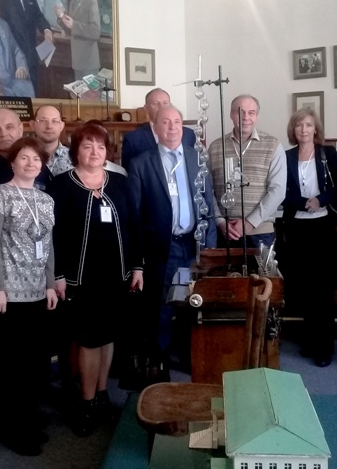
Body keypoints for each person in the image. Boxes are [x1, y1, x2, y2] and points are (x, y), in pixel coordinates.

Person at [48, 122, 143, 437]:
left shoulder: (119, 182)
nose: (94, 152)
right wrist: (58, 275)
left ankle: (102, 395)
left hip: (117, 276)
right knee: (89, 339)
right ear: (76, 150)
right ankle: (86, 402)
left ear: (107, 151)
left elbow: (134, 225)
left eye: (100, 147)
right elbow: (53, 235)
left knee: (108, 337)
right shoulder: (62, 184)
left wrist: (138, 267)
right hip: (80, 279)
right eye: (87, 146)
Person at [0, 137, 57, 455]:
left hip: (38, 291)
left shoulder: (46, 199)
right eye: (24, 158)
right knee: (12, 365)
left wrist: (50, 284)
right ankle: (13, 429)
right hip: (9, 294)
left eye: (36, 159)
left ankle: (28, 418)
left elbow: (49, 244)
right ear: (12, 162)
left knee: (35, 362)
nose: (30, 163)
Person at [128, 105, 216, 371]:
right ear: (155, 128)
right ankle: (160, 360)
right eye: (165, 122)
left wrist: (210, 249)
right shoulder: (141, 164)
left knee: (194, 302)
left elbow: (208, 207)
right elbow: (135, 217)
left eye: (177, 121)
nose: (172, 127)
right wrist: (138, 260)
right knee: (162, 307)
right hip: (163, 248)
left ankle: (190, 355)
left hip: (193, 245)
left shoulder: (196, 158)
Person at [280, 108, 337, 368]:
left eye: (308, 125)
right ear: (293, 130)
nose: (304, 130)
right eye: (299, 125)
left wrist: (320, 199)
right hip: (296, 229)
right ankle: (310, 340)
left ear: (315, 129)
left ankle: (325, 347)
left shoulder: (327, 154)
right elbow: (279, 191)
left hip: (323, 228)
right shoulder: (286, 156)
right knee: (303, 288)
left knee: (323, 289)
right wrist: (302, 203)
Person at [209, 94, 287, 249]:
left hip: (261, 233)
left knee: (261, 267)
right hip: (224, 232)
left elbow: (278, 191)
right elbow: (207, 190)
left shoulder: (273, 146)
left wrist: (250, 222)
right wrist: (220, 221)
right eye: (240, 112)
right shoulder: (215, 147)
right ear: (231, 114)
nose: (245, 117)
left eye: (251, 113)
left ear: (257, 116)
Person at [0, 0, 54, 92]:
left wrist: (46, 29)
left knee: (33, 90)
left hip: (31, 52)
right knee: (18, 92)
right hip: (13, 53)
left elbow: (38, 14)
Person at [120, 87, 196, 171]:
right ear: (146, 108)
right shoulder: (133, 139)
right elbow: (127, 172)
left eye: (165, 103)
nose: (161, 107)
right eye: (155, 104)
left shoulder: (189, 134)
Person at [55, 0, 101, 81]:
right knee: (78, 93)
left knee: (90, 94)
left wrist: (74, 25)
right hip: (77, 63)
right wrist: (61, 17)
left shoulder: (91, 0)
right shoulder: (73, 1)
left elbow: (96, 32)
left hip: (89, 63)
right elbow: (70, 31)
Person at [31, 105, 73, 178]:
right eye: (43, 120)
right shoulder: (22, 157)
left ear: (62, 126)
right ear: (32, 125)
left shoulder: (74, 157)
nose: (49, 126)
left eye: (54, 121)